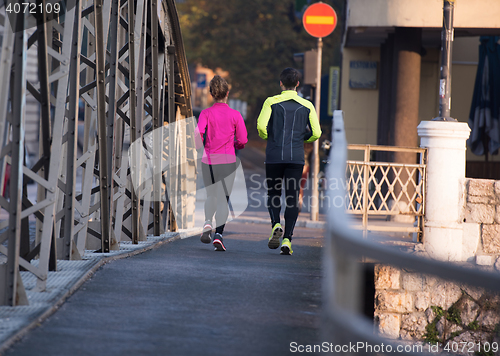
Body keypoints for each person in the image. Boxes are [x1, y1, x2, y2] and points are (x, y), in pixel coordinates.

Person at [257, 68, 321, 255]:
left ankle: (276, 224)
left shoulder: (271, 101)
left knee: (273, 194)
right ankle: (287, 239)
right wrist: (303, 139)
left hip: (274, 155)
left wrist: (269, 137)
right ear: (298, 84)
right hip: (296, 157)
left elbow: (261, 126)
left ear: (281, 83)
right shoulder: (307, 105)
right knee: (292, 198)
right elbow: (317, 133)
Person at [195, 75, 248, 251]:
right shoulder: (235, 115)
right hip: (227, 161)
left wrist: (199, 147)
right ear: (227, 93)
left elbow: (198, 134)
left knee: (211, 195)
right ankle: (219, 235)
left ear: (211, 94)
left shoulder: (205, 113)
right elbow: (243, 139)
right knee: (224, 199)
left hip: (208, 160)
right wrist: (235, 144)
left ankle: (207, 223)